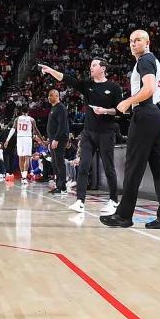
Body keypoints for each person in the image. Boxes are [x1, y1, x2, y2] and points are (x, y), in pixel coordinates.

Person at [100, 30, 160, 230]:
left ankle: (123, 216)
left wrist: (128, 102)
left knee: (133, 166)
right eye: (131, 41)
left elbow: (148, 89)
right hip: (158, 114)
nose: (133, 43)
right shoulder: (153, 60)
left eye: (138, 40)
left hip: (145, 115)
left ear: (147, 42)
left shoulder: (144, 60)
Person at [39, 59, 123, 215]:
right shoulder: (87, 85)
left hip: (106, 133)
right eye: (90, 65)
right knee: (83, 166)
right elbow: (66, 78)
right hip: (88, 133)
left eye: (94, 65)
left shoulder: (114, 88)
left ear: (103, 68)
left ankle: (113, 201)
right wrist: (50, 71)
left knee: (109, 167)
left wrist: (105, 111)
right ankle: (80, 201)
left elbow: (119, 110)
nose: (90, 67)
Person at [4, 105, 36, 185]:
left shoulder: (17, 119)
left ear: (21, 112)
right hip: (27, 138)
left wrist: (7, 140)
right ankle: (24, 177)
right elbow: (35, 131)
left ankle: (23, 177)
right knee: (27, 158)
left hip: (20, 138)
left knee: (21, 158)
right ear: (28, 111)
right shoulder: (31, 119)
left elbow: (13, 129)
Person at [45, 89, 68, 195]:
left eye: (51, 95)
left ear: (57, 96)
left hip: (59, 139)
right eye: (48, 95)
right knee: (55, 163)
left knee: (59, 162)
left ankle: (62, 187)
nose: (49, 97)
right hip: (53, 139)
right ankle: (58, 185)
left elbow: (62, 125)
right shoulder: (54, 108)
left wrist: (56, 139)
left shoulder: (60, 108)